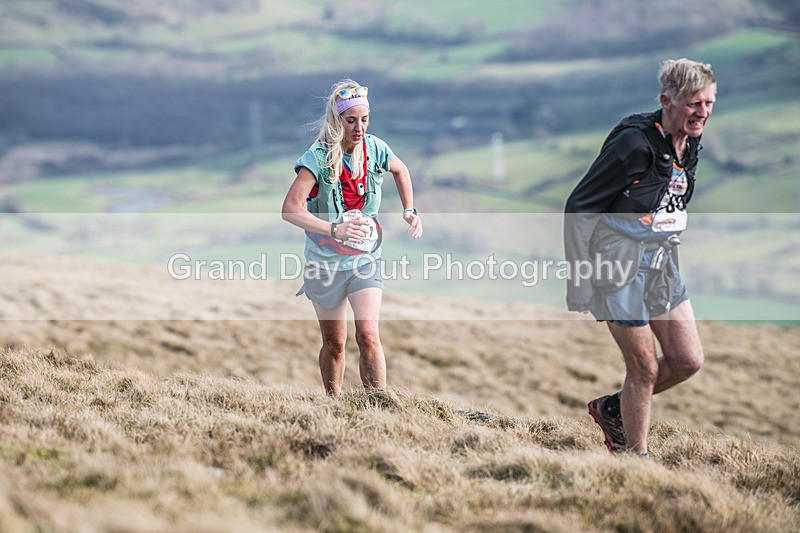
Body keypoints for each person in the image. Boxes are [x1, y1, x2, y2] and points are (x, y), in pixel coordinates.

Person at [564, 59, 716, 456]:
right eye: (693, 103)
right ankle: (636, 458)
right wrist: (580, 281)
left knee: (687, 360)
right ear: (667, 100)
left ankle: (613, 408)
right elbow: (579, 207)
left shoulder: (690, 139)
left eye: (709, 103)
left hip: (661, 262)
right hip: (617, 263)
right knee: (645, 369)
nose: (702, 112)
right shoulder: (633, 143)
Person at [282, 79, 423, 396]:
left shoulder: (375, 149)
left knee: (368, 334)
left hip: (365, 259)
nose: (360, 128)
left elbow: (400, 170)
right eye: (351, 121)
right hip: (325, 263)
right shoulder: (316, 158)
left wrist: (410, 209)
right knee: (334, 344)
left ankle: (379, 405)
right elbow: (290, 209)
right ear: (337, 120)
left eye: (365, 119)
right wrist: (334, 229)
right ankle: (332, 404)